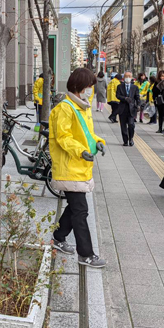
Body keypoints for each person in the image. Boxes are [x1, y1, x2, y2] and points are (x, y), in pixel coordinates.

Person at [50, 68, 107, 268]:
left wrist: (98, 142)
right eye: (89, 86)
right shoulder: (64, 108)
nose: (91, 90)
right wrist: (81, 151)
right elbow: (63, 137)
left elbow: (87, 134)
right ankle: (86, 254)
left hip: (78, 165)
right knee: (81, 210)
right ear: (78, 86)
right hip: (69, 165)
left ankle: (58, 237)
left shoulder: (83, 106)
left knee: (75, 207)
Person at [116, 71, 140, 147]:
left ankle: (131, 139)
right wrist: (125, 98)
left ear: (132, 77)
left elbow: (137, 97)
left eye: (129, 76)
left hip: (132, 109)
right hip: (122, 109)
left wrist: (138, 105)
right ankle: (125, 140)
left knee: (131, 125)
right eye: (126, 76)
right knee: (123, 126)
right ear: (123, 78)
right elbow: (118, 95)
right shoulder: (119, 86)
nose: (128, 78)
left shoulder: (135, 87)